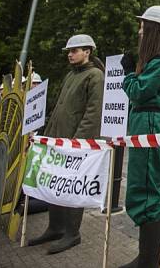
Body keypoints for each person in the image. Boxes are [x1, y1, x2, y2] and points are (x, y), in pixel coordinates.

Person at [28, 34, 104, 254]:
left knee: (72, 187)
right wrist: (46, 135)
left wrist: (76, 143)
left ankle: (72, 233)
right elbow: (59, 109)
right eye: (69, 51)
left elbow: (92, 113)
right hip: (57, 141)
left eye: (74, 50)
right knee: (55, 183)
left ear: (87, 51)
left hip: (75, 144)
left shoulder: (95, 76)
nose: (70, 54)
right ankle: (55, 227)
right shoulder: (71, 75)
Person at [118, 6, 160, 268]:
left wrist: (129, 73)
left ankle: (149, 260)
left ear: (155, 29)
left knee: (145, 190)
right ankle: (146, 256)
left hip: (152, 124)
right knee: (139, 189)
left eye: (144, 26)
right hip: (145, 124)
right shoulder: (156, 59)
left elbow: (139, 91)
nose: (140, 31)